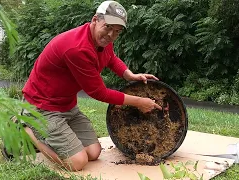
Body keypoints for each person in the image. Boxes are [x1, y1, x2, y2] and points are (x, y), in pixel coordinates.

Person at [20, 0, 162, 171]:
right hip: (43, 106)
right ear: (95, 19)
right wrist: (139, 102)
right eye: (107, 27)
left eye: (116, 32)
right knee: (78, 162)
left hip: (66, 105)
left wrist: (129, 74)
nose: (110, 35)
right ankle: (26, 129)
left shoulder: (102, 40)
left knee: (93, 152)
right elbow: (98, 92)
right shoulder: (77, 48)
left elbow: (111, 58)